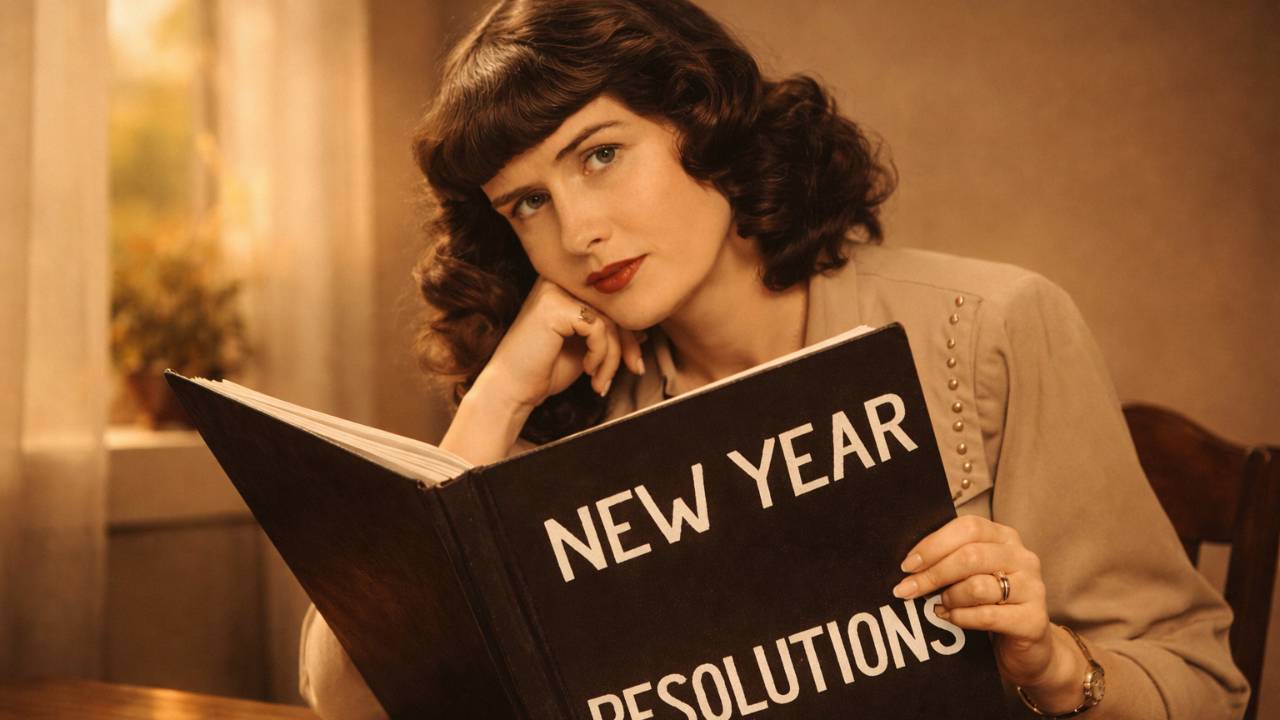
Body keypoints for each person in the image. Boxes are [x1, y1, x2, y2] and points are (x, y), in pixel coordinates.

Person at [298, 1, 1249, 718]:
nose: (579, 230)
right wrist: (496, 400)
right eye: (527, 204)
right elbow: (343, 697)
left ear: (702, 121)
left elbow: (1202, 686)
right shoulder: (561, 393)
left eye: (598, 156)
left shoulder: (993, 328)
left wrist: (1052, 665)